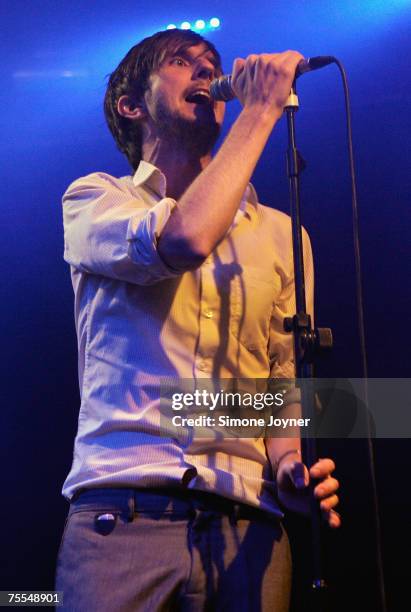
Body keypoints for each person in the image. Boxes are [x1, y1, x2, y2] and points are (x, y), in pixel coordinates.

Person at [55, 29, 340, 611]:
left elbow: (277, 389)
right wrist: (259, 111)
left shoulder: (284, 236)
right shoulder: (96, 199)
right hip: (124, 518)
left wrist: (290, 467)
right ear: (131, 105)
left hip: (250, 531)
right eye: (182, 63)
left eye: (211, 62)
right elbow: (183, 240)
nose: (206, 72)